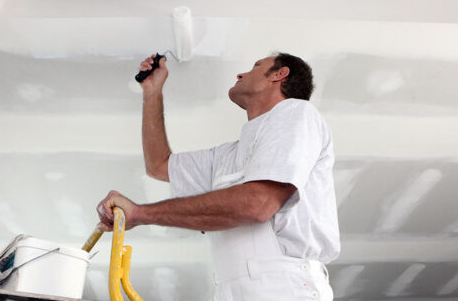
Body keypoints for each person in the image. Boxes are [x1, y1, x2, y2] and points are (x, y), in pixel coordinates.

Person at [97, 52, 340, 301]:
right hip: (230, 289)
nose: (241, 73)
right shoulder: (226, 157)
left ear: (280, 74)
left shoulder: (296, 113)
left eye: (256, 66)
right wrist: (152, 92)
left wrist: (142, 213)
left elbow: (258, 205)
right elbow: (159, 165)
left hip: (283, 287)